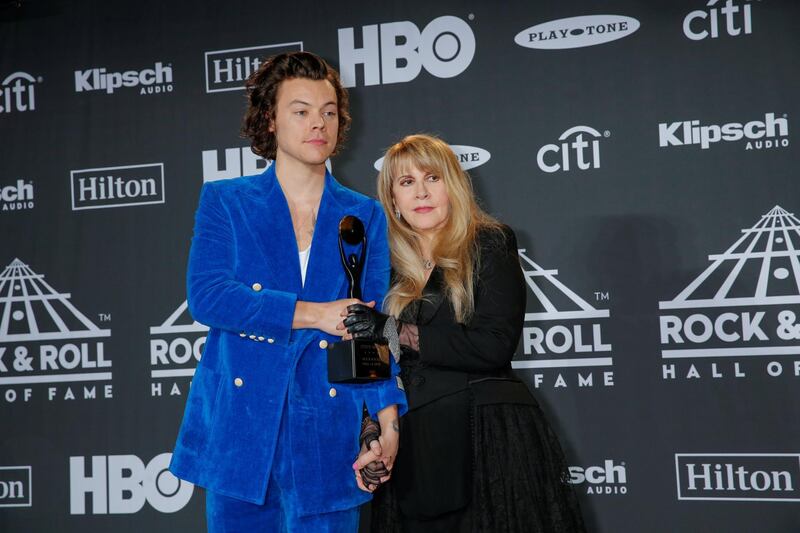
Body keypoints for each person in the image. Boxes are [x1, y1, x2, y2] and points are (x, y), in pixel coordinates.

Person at [169, 51, 406, 532]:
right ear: (270, 120)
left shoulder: (364, 214)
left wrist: (387, 422)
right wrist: (315, 314)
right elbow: (209, 296)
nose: (318, 123)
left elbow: (371, 329)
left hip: (329, 430)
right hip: (242, 434)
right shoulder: (226, 200)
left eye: (328, 111)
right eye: (300, 111)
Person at [346, 134, 586, 532]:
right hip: (412, 446)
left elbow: (494, 345)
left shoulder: (488, 243)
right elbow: (374, 367)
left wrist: (392, 329)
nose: (421, 192)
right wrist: (371, 432)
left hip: (486, 438)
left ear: (453, 186)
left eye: (433, 178)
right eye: (406, 183)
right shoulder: (380, 269)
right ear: (392, 200)